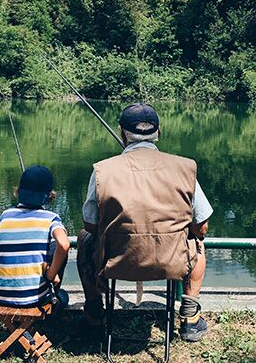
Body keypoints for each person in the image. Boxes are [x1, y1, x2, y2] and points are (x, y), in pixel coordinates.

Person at [77, 103, 213, 341]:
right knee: (198, 242)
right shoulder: (184, 168)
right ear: (160, 131)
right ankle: (190, 317)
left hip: (116, 262)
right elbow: (201, 226)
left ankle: (94, 313)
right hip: (172, 262)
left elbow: (90, 225)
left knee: (84, 238)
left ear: (121, 133)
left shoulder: (102, 171)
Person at [0, 166, 70, 308]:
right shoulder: (51, 219)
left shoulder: (5, 216)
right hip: (35, 297)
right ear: (49, 196)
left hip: (1, 295)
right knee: (54, 248)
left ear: (18, 192)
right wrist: (51, 274)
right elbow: (64, 245)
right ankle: (54, 297)